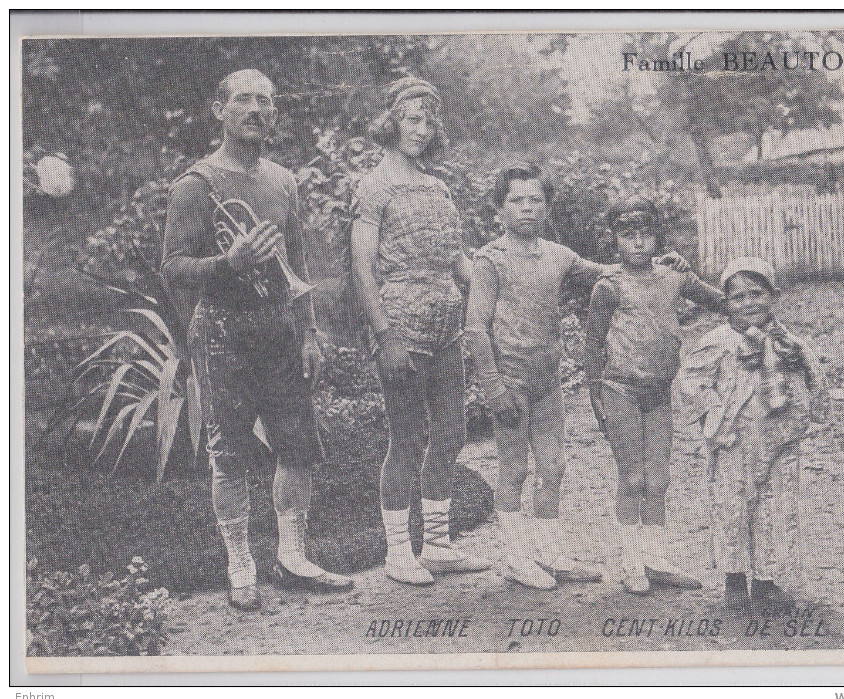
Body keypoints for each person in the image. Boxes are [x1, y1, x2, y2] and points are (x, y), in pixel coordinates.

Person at [162, 69, 351, 611]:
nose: (255, 110)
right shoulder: (195, 184)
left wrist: (310, 331)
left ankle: (292, 555)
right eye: (242, 100)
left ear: (275, 112)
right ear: (219, 110)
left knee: (298, 447)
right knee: (231, 455)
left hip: (280, 331)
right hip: (222, 331)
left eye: (265, 101)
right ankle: (239, 562)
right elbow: (172, 269)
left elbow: (299, 263)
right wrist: (231, 261)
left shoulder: (284, 181)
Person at [350, 77, 490, 586]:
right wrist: (383, 334)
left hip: (446, 324)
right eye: (413, 119)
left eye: (430, 121)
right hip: (400, 325)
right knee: (406, 436)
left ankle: (437, 543)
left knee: (452, 430)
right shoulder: (374, 187)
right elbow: (362, 268)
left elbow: (455, 257)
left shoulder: (439, 187)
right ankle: (397, 550)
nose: (422, 130)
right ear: (392, 122)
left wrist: (490, 291)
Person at [464, 162, 614, 590]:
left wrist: (655, 262)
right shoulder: (489, 259)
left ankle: (549, 552)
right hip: (510, 379)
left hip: (548, 378)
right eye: (516, 200)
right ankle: (514, 556)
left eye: (536, 200)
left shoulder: (558, 255)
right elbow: (476, 326)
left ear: (547, 207)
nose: (527, 208)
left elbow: (606, 272)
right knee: (513, 469)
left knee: (554, 466)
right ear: (500, 208)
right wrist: (492, 386)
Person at [583, 196, 726, 595]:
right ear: (614, 240)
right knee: (632, 478)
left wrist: (750, 303)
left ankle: (656, 560)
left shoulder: (674, 277)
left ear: (658, 237)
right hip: (620, 389)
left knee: (659, 479)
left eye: (647, 234)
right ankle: (632, 565)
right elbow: (592, 345)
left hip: (661, 391)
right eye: (629, 235)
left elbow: (720, 301)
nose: (639, 243)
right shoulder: (608, 287)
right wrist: (597, 401)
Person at [679, 256, 827, 614]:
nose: (749, 304)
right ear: (726, 303)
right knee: (733, 506)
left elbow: (814, 378)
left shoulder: (788, 342)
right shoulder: (717, 342)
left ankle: (764, 580)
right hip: (736, 439)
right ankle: (734, 579)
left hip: (779, 437)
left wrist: (802, 374)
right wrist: (715, 418)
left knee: (774, 508)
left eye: (757, 294)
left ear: (773, 295)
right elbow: (690, 382)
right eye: (739, 297)